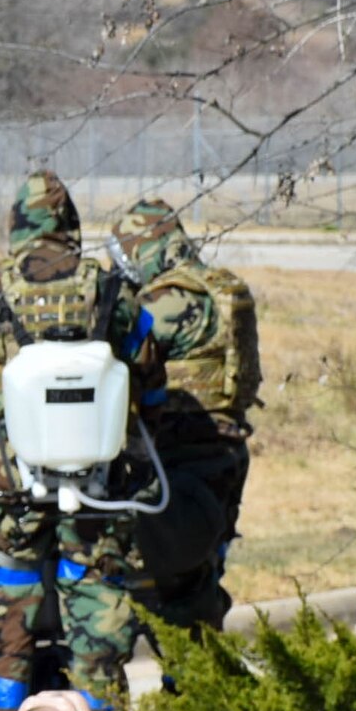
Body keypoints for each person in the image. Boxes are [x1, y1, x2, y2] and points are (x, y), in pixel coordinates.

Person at [0, 172, 164, 711]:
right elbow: (150, 368)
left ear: (17, 227)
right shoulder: (111, 289)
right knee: (95, 595)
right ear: (71, 227)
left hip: (12, 477)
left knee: (9, 597)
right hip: (98, 478)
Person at [106, 199, 262, 633]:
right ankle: (204, 684)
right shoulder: (223, 286)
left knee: (166, 584)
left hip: (180, 455)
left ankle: (190, 680)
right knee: (203, 572)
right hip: (228, 448)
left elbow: (122, 355)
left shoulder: (167, 299)